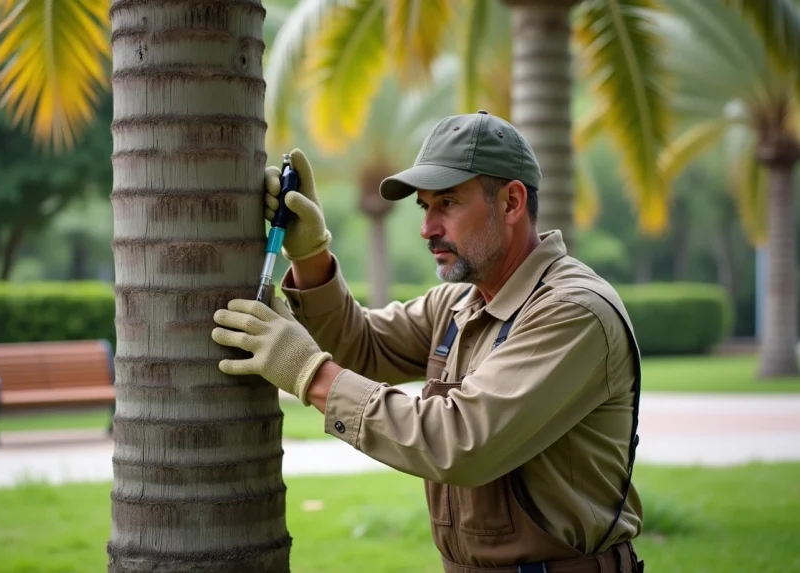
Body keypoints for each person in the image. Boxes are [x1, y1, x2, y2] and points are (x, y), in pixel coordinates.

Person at [211, 110, 645, 573]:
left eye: (448, 203)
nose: (427, 228)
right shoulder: (459, 304)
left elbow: (461, 442)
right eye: (425, 207)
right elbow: (362, 348)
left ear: (511, 203)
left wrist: (307, 372)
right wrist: (310, 254)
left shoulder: (572, 311)